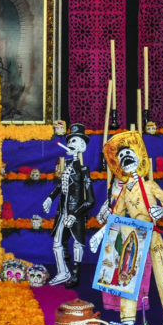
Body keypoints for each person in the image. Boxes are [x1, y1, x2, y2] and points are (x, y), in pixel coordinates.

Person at [90, 131, 163, 325]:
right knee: (127, 276)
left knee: (162, 276)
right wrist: (99, 234)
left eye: (128, 154)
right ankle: (128, 320)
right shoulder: (122, 191)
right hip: (134, 236)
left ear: (138, 156)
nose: (125, 158)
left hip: (153, 234)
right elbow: (116, 216)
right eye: (121, 156)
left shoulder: (150, 185)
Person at [42, 123, 94, 287]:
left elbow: (90, 200)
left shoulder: (84, 170)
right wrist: (50, 198)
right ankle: (63, 272)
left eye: (75, 141)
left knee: (78, 242)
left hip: (75, 213)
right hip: (62, 211)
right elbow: (61, 186)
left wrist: (74, 214)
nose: (70, 144)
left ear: (83, 146)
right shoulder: (68, 167)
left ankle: (76, 274)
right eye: (69, 140)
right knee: (57, 243)